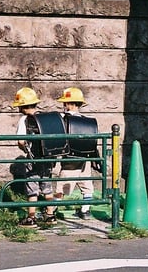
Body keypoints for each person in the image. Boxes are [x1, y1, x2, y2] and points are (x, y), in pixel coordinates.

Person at [10, 87, 57, 228]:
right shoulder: (44, 118)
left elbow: (20, 141)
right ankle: (50, 215)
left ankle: (31, 218)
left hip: (33, 159)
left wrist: (25, 149)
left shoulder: (25, 120)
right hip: (48, 159)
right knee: (47, 187)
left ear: (22, 107)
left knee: (32, 188)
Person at [55, 86, 94, 219]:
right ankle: (85, 210)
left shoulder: (62, 119)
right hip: (85, 157)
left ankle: (51, 210)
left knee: (62, 184)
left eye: (64, 103)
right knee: (86, 184)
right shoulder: (86, 120)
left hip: (70, 157)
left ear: (68, 104)